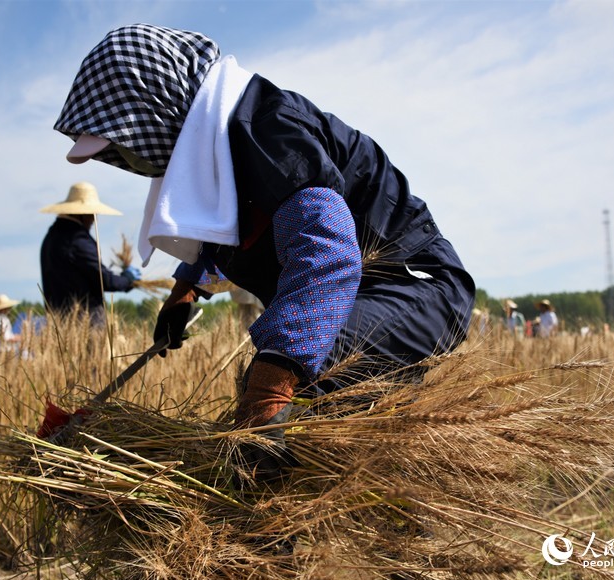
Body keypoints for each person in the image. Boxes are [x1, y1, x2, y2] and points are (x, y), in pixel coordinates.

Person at [54, 24, 475, 479]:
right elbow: (234, 226)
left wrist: (268, 392)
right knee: (326, 441)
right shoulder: (220, 146)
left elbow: (326, 253)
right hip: (359, 297)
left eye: (128, 150)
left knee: (282, 378)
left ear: (156, 108)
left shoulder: (268, 132)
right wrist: (186, 292)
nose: (134, 164)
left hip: (413, 288)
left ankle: (269, 528)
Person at [40, 182, 142, 327]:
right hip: (84, 323)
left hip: (58, 323)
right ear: (83, 213)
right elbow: (103, 280)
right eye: (92, 214)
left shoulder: (51, 237)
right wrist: (127, 280)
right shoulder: (78, 241)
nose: (94, 220)